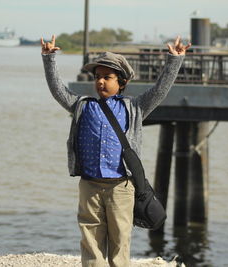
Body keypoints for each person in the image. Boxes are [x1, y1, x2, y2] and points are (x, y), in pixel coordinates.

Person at [41, 34, 190, 267]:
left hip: (121, 186)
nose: (101, 82)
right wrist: (49, 58)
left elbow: (160, 91)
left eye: (107, 77)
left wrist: (175, 60)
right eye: (98, 77)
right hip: (90, 185)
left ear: (121, 82)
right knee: (91, 241)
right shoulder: (82, 106)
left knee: (120, 241)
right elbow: (58, 90)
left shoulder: (135, 107)